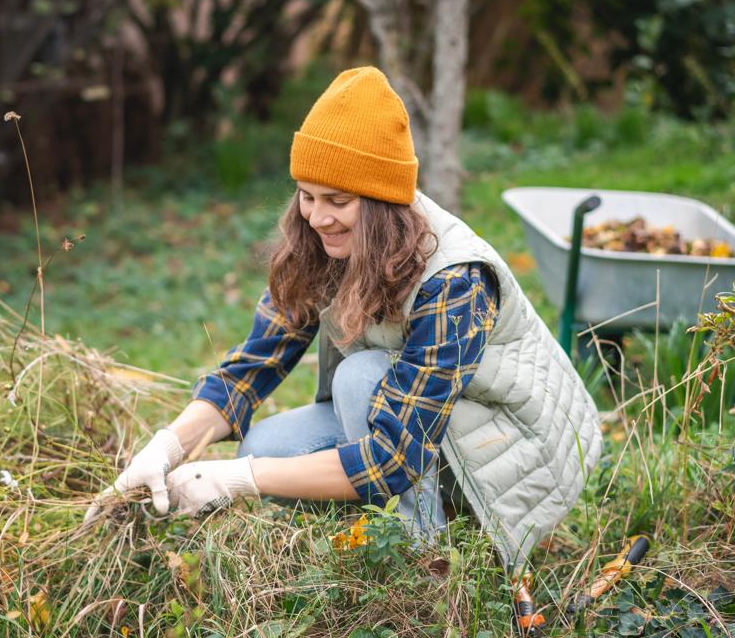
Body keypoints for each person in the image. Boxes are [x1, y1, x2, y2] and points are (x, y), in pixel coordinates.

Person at [85, 66, 601, 593]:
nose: (317, 217)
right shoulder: (321, 247)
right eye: (307, 195)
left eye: (338, 201)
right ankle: (390, 528)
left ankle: (428, 573)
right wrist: (168, 447)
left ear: (381, 202)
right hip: (421, 426)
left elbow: (393, 458)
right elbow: (251, 369)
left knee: (357, 380)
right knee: (266, 446)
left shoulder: (456, 279)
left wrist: (236, 483)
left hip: (510, 445)